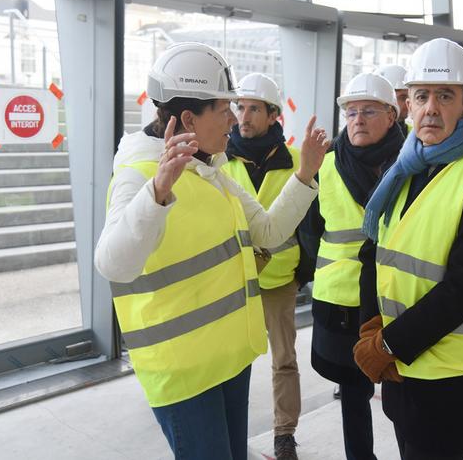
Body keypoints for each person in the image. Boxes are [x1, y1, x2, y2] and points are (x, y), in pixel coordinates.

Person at [94, 42, 329, 460]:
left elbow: (269, 231)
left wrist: (306, 174)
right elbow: (113, 263)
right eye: (225, 109)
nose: (233, 120)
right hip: (185, 374)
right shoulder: (139, 176)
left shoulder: (212, 172)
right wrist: (157, 194)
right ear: (188, 118)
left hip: (229, 361)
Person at [354, 38, 463, 459]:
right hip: (399, 369)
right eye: (421, 96)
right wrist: (370, 325)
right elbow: (375, 252)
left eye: (445, 96)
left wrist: (389, 344)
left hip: (448, 378)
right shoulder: (405, 168)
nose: (431, 108)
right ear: (406, 104)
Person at [302, 72, 405, 460]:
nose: (357, 119)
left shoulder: (412, 164)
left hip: (397, 295)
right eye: (351, 112)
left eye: (368, 111)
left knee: (401, 391)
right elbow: (309, 230)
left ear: (392, 116)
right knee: (353, 392)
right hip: (341, 297)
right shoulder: (327, 165)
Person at [221, 72, 309, 460]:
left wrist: (302, 271)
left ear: (274, 115)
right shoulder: (220, 161)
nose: (244, 115)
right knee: (229, 359)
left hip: (277, 280)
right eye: (240, 107)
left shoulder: (294, 164)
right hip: (233, 279)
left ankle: (284, 432)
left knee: (284, 360)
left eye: (254, 108)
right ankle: (225, 429)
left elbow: (309, 222)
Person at [376, 64, 412, 135]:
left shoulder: (414, 134)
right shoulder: (367, 136)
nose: (408, 103)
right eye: (403, 97)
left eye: (409, 97)